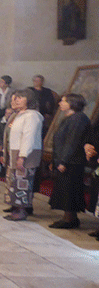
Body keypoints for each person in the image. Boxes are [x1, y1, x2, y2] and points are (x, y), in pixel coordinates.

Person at [49, 94, 90, 229]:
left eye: (63, 101)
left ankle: (70, 219)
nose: (60, 103)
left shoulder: (78, 119)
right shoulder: (70, 118)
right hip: (67, 160)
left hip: (72, 161)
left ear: (72, 103)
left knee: (70, 190)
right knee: (65, 189)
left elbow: (72, 141)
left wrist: (63, 161)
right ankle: (69, 217)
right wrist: (56, 160)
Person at [2, 88, 43, 221]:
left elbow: (28, 137)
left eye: (20, 98)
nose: (16, 101)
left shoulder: (32, 116)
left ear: (29, 100)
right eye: (15, 98)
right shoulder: (19, 114)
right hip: (15, 153)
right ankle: (15, 207)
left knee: (22, 183)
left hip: (25, 155)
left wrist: (23, 156)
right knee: (14, 182)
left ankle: (21, 211)